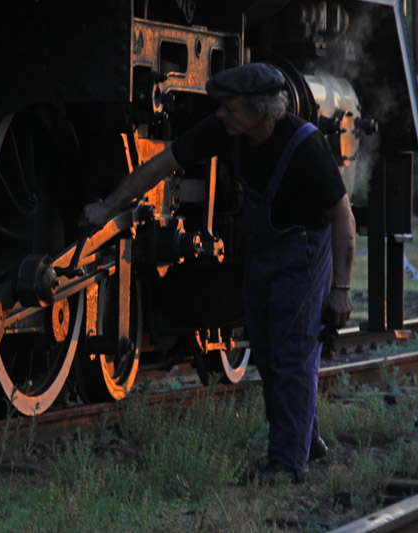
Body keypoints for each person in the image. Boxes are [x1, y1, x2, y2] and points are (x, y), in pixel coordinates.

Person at [78, 63, 356, 483]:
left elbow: (343, 217)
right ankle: (306, 440)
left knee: (293, 352)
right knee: (265, 350)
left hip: (303, 252)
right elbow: (161, 166)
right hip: (264, 251)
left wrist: (341, 289)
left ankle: (287, 465)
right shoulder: (228, 132)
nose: (220, 115)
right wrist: (109, 206)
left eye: (230, 109)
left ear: (262, 111)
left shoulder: (305, 146)